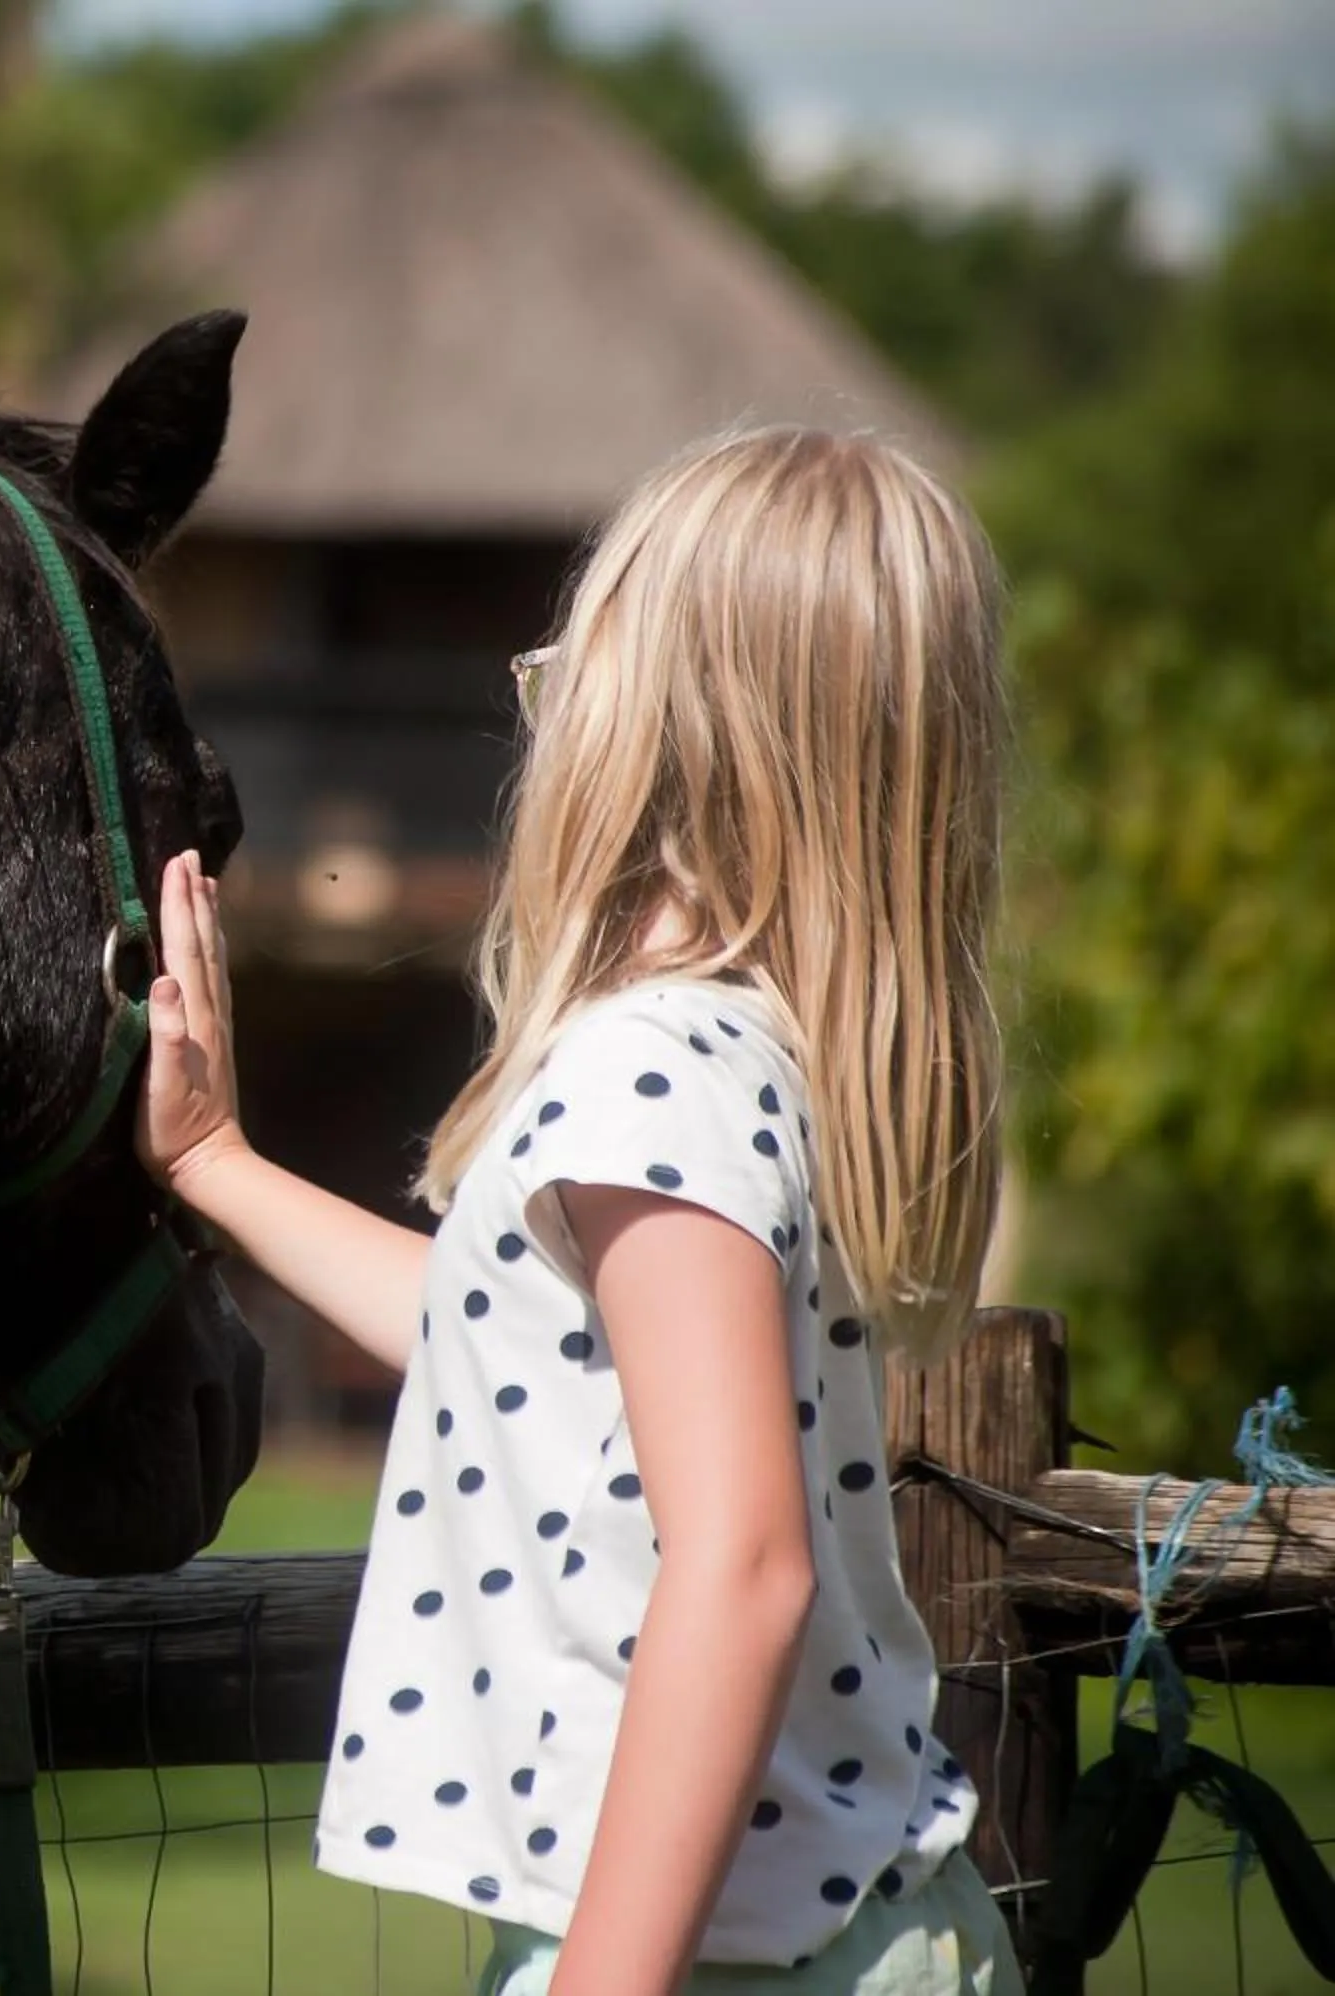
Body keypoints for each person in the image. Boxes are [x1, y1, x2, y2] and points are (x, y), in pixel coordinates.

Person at [137, 426, 1023, 1996]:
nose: (533, 699)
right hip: (835, 1939)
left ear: (662, 733)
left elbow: (743, 1568)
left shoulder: (649, 1074)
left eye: (567, 664)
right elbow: (520, 1359)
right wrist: (218, 1161)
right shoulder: (734, 1054)